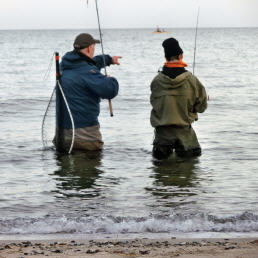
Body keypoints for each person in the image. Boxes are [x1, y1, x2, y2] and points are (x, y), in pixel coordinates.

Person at [58, 33, 121, 151]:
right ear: (89, 48)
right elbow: (110, 90)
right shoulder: (86, 72)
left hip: (61, 135)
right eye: (94, 47)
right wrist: (109, 80)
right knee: (91, 168)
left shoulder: (63, 66)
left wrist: (109, 60)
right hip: (85, 136)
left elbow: (89, 63)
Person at [150, 38, 207, 160]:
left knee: (161, 174)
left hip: (162, 138)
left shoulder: (156, 81)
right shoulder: (192, 80)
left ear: (166, 58)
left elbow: (155, 104)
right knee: (187, 173)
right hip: (186, 138)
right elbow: (201, 108)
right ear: (181, 55)